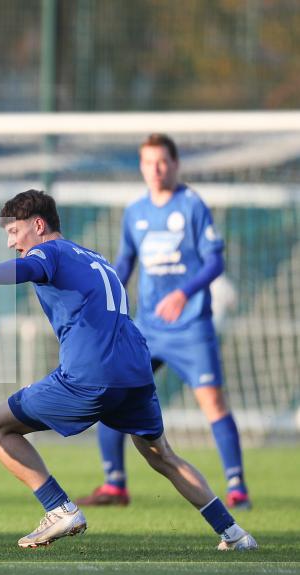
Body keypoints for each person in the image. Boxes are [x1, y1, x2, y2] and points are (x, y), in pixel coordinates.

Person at [0, 189, 257, 551]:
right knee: (161, 455)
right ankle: (233, 533)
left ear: (38, 225)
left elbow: (27, 268)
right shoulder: (93, 256)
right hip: (135, 372)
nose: (12, 243)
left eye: (14, 232)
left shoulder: (47, 251)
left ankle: (58, 508)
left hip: (90, 375)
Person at [77, 134, 250, 510]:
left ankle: (237, 488)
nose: (155, 170)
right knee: (112, 393)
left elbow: (214, 262)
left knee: (213, 403)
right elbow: (125, 263)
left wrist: (184, 293)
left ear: (175, 164)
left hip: (190, 326)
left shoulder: (191, 206)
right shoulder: (135, 211)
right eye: (147, 163)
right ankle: (114, 486)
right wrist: (104, 290)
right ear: (140, 167)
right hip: (147, 328)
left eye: (162, 162)